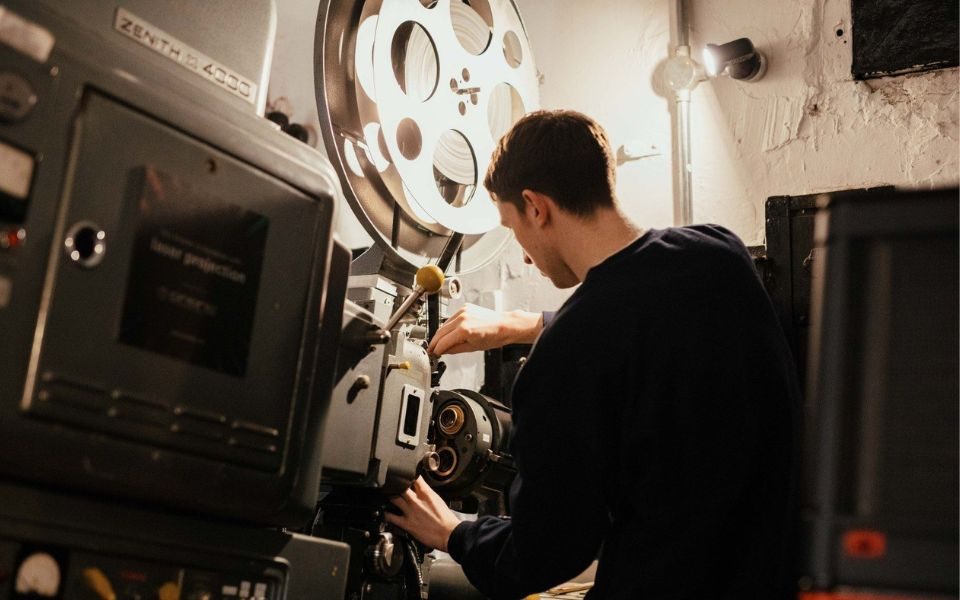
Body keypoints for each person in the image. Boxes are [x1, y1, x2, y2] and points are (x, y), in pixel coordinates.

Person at [384, 109, 801, 599]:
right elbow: (643, 326)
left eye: (512, 225)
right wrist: (531, 324)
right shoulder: (720, 255)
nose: (522, 253)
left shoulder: (566, 356)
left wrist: (454, 532)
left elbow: (543, 556)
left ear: (536, 207)